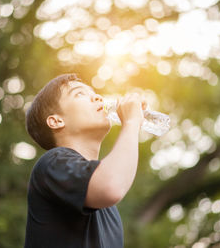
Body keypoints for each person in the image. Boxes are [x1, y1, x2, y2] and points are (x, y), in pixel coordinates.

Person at [24, 73, 146, 248]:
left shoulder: (107, 208)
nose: (97, 97)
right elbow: (111, 186)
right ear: (56, 121)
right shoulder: (52, 163)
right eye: (79, 93)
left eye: (93, 92)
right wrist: (132, 122)